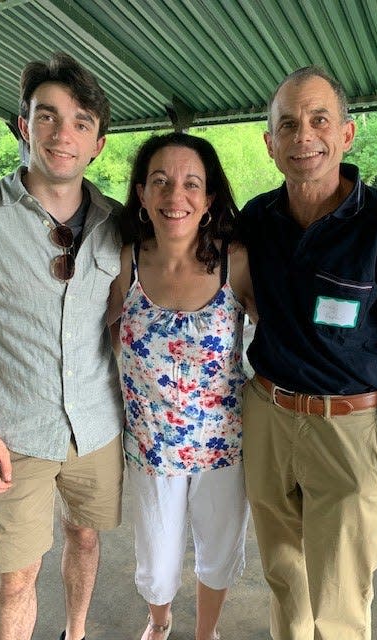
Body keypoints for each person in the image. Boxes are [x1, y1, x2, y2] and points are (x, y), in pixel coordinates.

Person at [240, 65, 377, 640]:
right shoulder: (257, 219)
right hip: (268, 416)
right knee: (283, 577)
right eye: (288, 125)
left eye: (319, 119)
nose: (304, 136)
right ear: (271, 144)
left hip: (348, 430)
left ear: (346, 135)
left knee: (341, 597)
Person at [0, 52, 124, 640]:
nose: (64, 134)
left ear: (98, 144)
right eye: (48, 116)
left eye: (82, 121)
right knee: (17, 574)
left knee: (85, 537)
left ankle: (76, 634)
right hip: (14, 432)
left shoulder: (116, 223)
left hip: (95, 425)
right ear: (22, 124)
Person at [108, 132, 257, 640]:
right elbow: (97, 336)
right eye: (161, 182)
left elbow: (286, 332)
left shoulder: (234, 259)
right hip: (151, 447)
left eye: (192, 183)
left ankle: (205, 632)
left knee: (217, 548)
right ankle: (160, 623)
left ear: (209, 198)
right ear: (143, 194)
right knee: (157, 557)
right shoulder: (123, 261)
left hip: (223, 446)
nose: (177, 196)